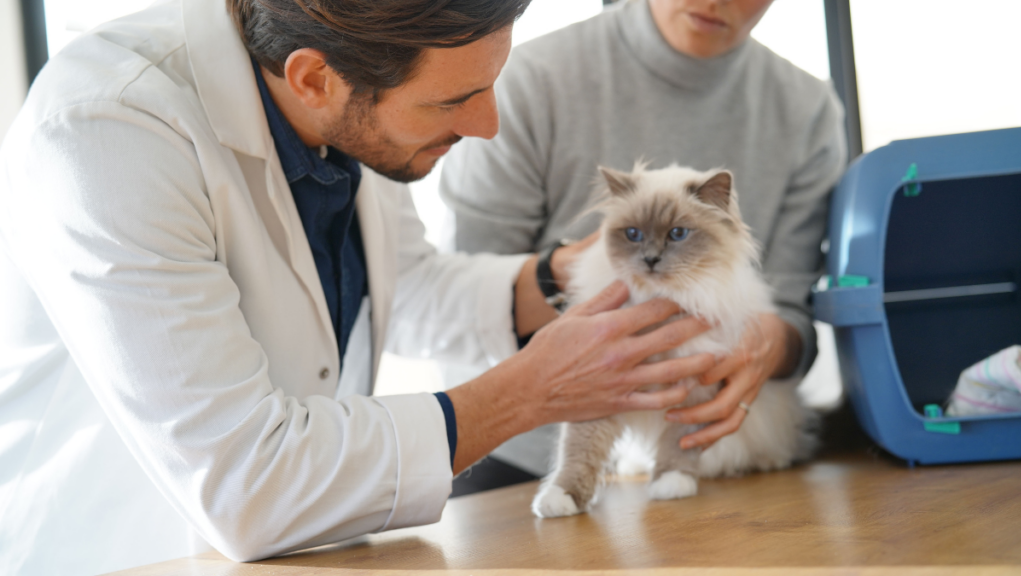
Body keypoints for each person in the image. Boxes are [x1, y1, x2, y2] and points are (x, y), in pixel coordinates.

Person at [0, 1, 720, 574]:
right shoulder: (109, 129)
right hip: (130, 551)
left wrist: (558, 274)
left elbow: (408, 292)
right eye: (455, 100)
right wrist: (529, 392)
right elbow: (251, 480)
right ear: (315, 78)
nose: (488, 124)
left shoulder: (343, 110)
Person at [439, 0, 848, 486]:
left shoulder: (808, 109)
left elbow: (795, 310)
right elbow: (458, 300)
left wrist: (768, 341)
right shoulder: (529, 78)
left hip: (713, 445)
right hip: (523, 449)